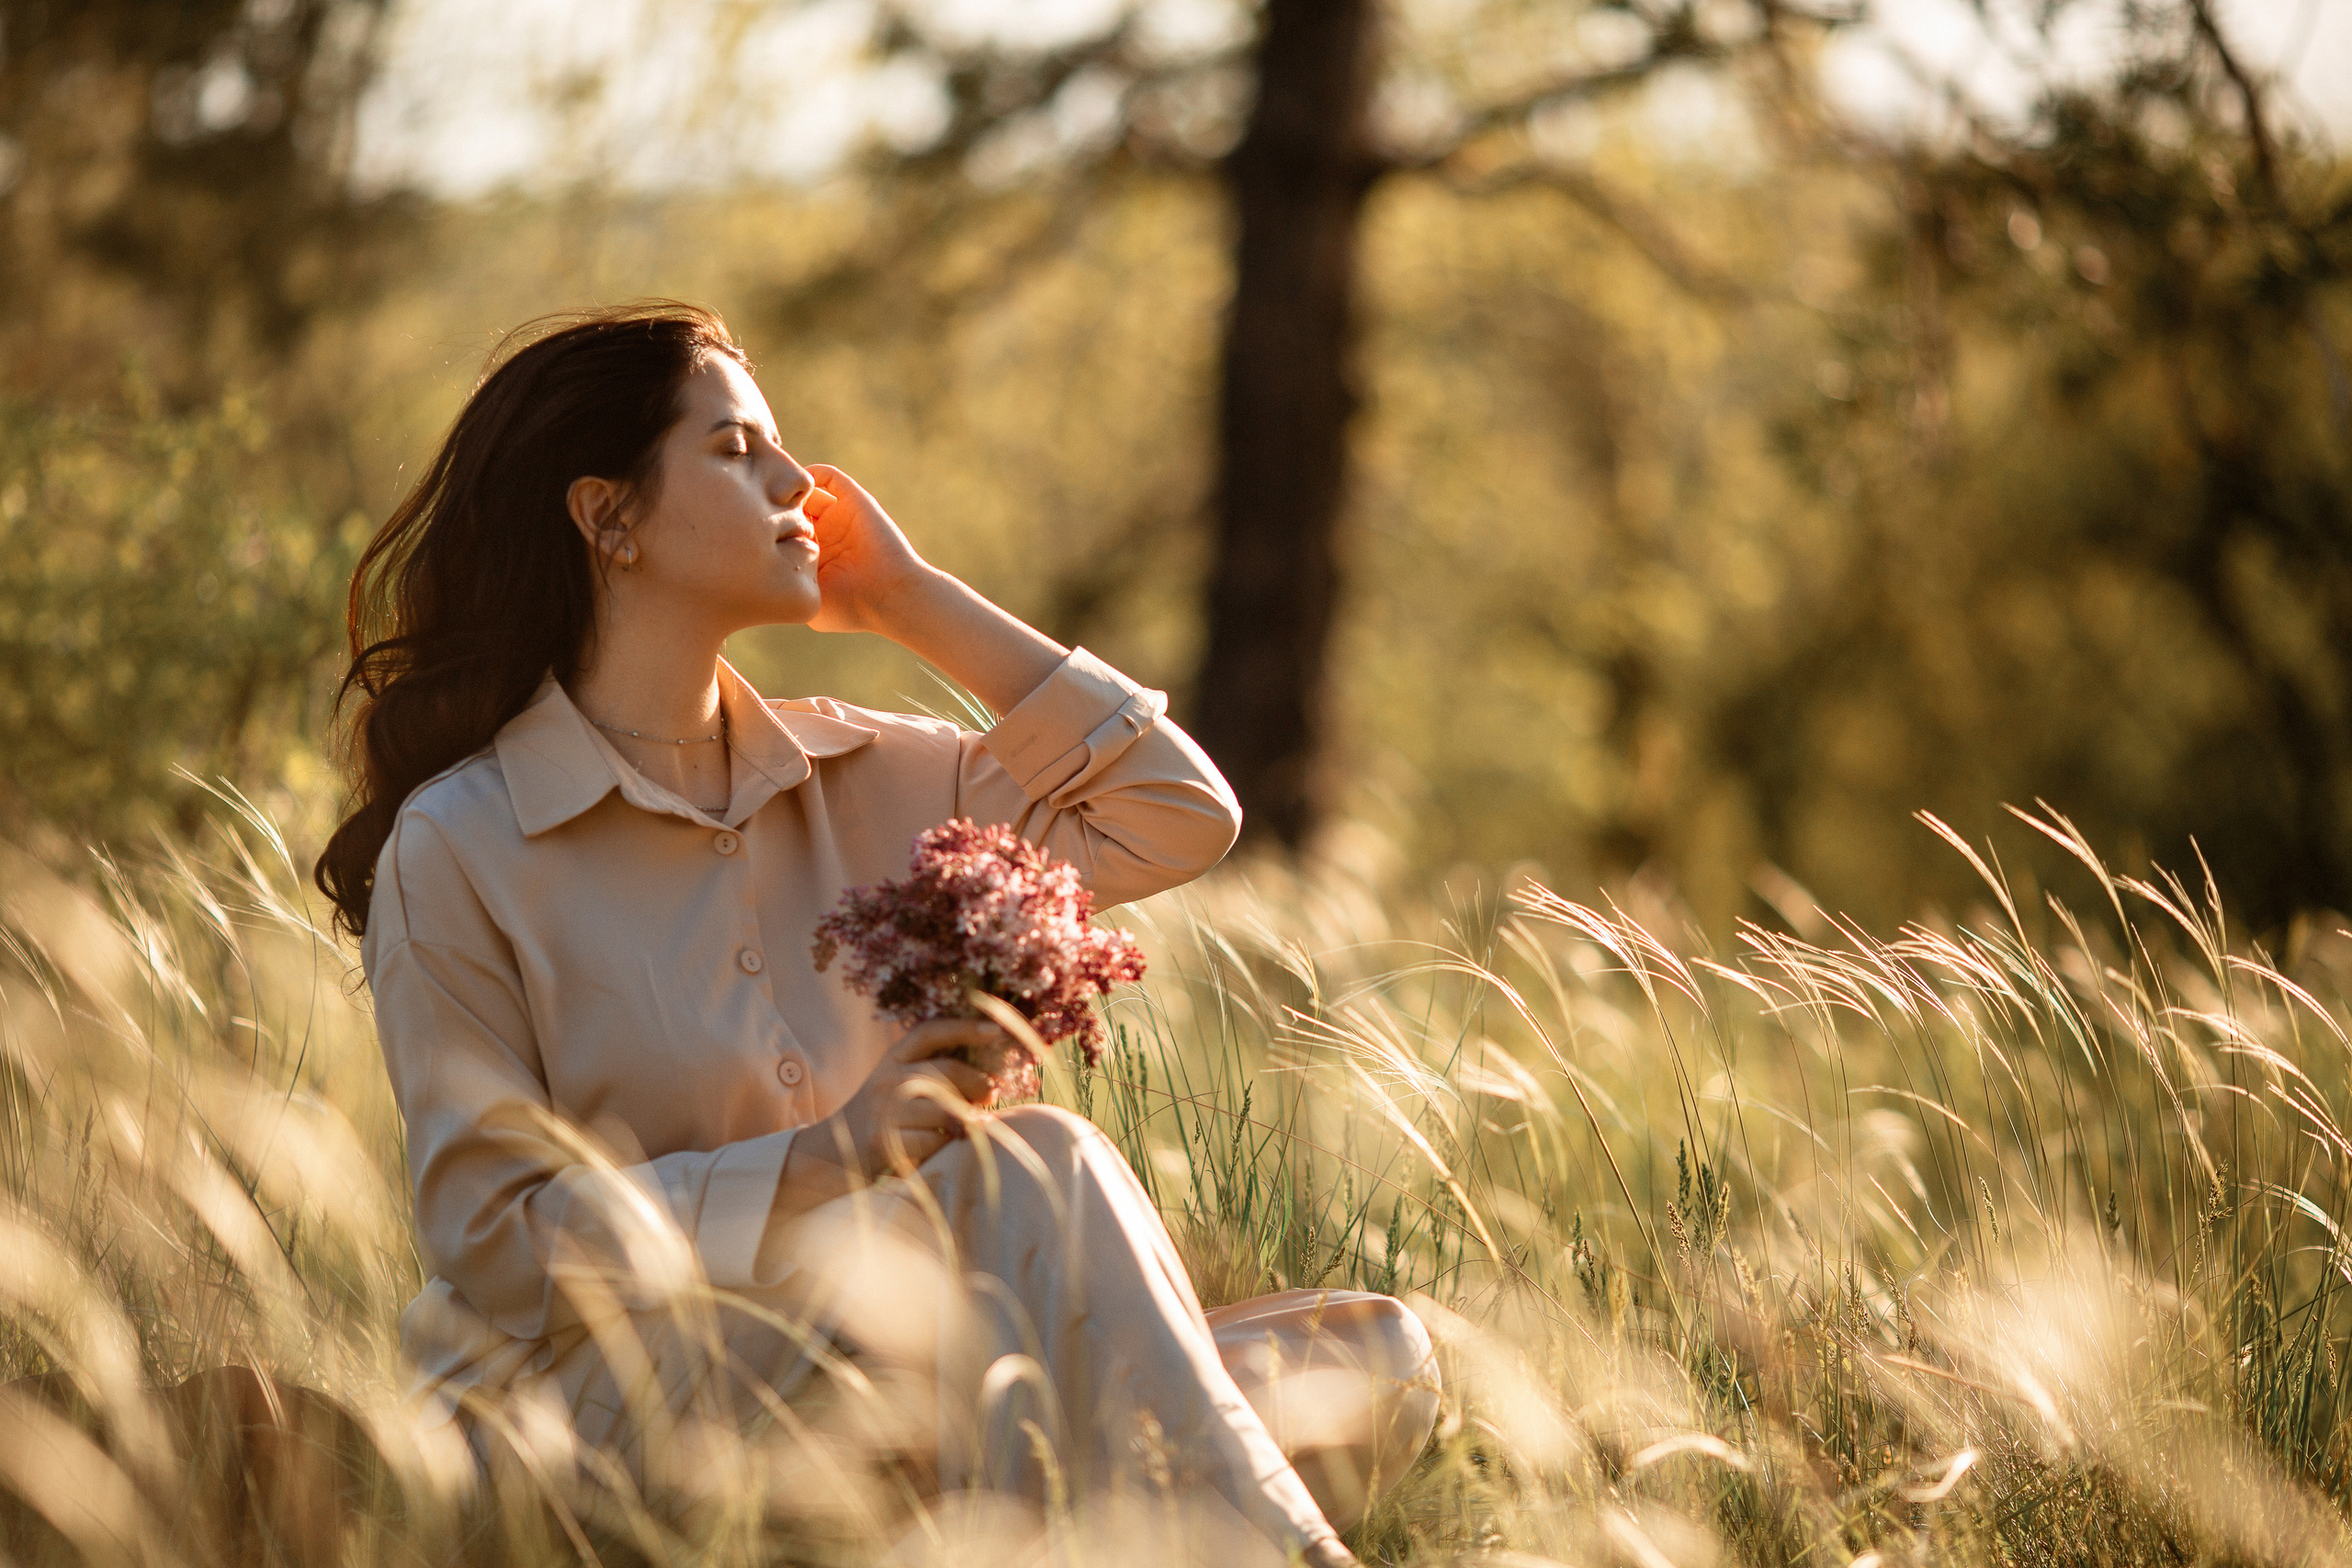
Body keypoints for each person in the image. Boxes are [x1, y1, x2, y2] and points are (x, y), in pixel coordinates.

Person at [314, 302, 1439, 1565]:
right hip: (597, 1429)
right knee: (1035, 1167)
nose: (802, 483)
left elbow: (1177, 814)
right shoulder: (463, 845)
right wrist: (826, 1159)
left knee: (1368, 1351)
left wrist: (908, 597)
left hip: (890, 1372)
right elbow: (494, 1241)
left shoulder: (873, 773)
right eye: (738, 449)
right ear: (607, 516)